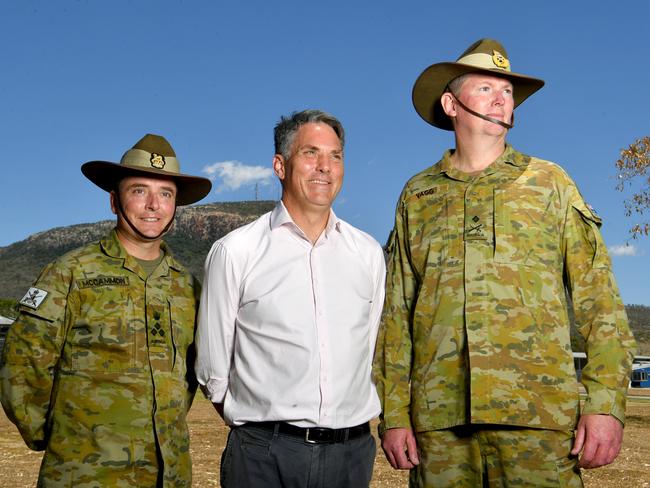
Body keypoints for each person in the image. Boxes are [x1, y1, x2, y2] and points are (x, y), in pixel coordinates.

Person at [373, 38, 637, 487]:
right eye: (486, 88)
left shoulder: (550, 183)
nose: (502, 99)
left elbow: (600, 302)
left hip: (539, 417)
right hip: (440, 423)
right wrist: (395, 413)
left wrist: (605, 403)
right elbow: (395, 312)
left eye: (509, 91)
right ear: (451, 103)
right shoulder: (417, 195)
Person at [0, 134, 212, 487]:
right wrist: (61, 438)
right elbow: (22, 363)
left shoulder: (188, 287)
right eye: (139, 190)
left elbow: (189, 376)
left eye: (166, 194)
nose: (153, 205)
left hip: (169, 475)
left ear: (175, 206)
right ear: (114, 201)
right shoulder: (71, 272)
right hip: (84, 473)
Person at [195, 109, 386, 488]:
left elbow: (368, 347)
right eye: (311, 153)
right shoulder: (236, 251)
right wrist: (266, 431)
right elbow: (213, 368)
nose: (325, 167)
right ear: (280, 165)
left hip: (351, 453)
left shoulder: (367, 252)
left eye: (335, 156)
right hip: (264, 455)